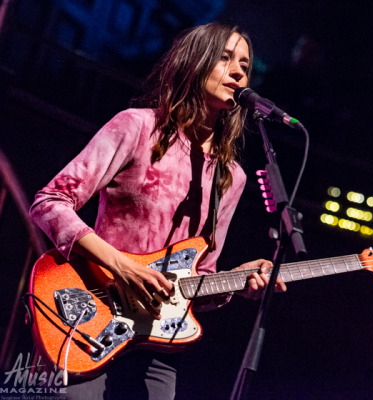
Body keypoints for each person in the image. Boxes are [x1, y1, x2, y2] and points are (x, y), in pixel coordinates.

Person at [29, 22, 286, 400]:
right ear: (193, 62)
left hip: (160, 341)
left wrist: (236, 281)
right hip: (91, 315)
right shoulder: (136, 127)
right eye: (225, 57)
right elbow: (49, 202)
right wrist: (121, 265)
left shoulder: (232, 176)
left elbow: (200, 276)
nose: (237, 71)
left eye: (245, 65)